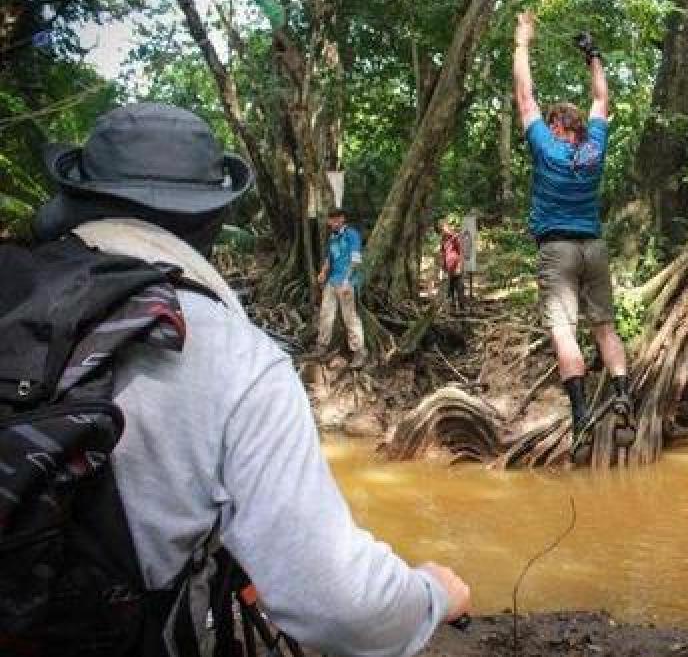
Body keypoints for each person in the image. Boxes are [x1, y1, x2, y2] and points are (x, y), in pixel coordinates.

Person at [32, 102, 470, 656]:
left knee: (349, 326)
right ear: (213, 218)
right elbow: (340, 603)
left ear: (78, 199)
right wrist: (430, 593)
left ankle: (355, 357)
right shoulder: (237, 358)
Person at [512, 12, 631, 438]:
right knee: (605, 327)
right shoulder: (594, 148)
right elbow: (602, 101)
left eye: (550, 121)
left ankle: (581, 416)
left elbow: (525, 98)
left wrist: (523, 41)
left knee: (564, 330)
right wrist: (593, 56)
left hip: (557, 250)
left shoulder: (546, 147)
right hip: (594, 249)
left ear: (557, 127)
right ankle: (623, 397)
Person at [314, 208, 367, 368]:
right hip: (332, 281)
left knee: (349, 317)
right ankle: (321, 347)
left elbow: (356, 260)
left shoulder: (351, 234)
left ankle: (359, 352)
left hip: (346, 282)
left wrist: (346, 280)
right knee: (325, 314)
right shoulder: (332, 237)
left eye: (337, 219)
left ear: (343, 219)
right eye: (331, 219)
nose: (334, 222)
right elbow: (329, 258)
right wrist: (323, 272)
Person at [439, 218, 466, 313]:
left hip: (456, 268)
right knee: (449, 290)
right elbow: (442, 254)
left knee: (459, 288)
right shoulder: (443, 239)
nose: (443, 230)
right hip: (448, 268)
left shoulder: (455, 237)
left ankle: (462, 309)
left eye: (444, 227)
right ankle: (452, 309)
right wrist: (442, 268)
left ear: (448, 227)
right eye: (442, 228)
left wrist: (459, 266)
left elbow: (461, 252)